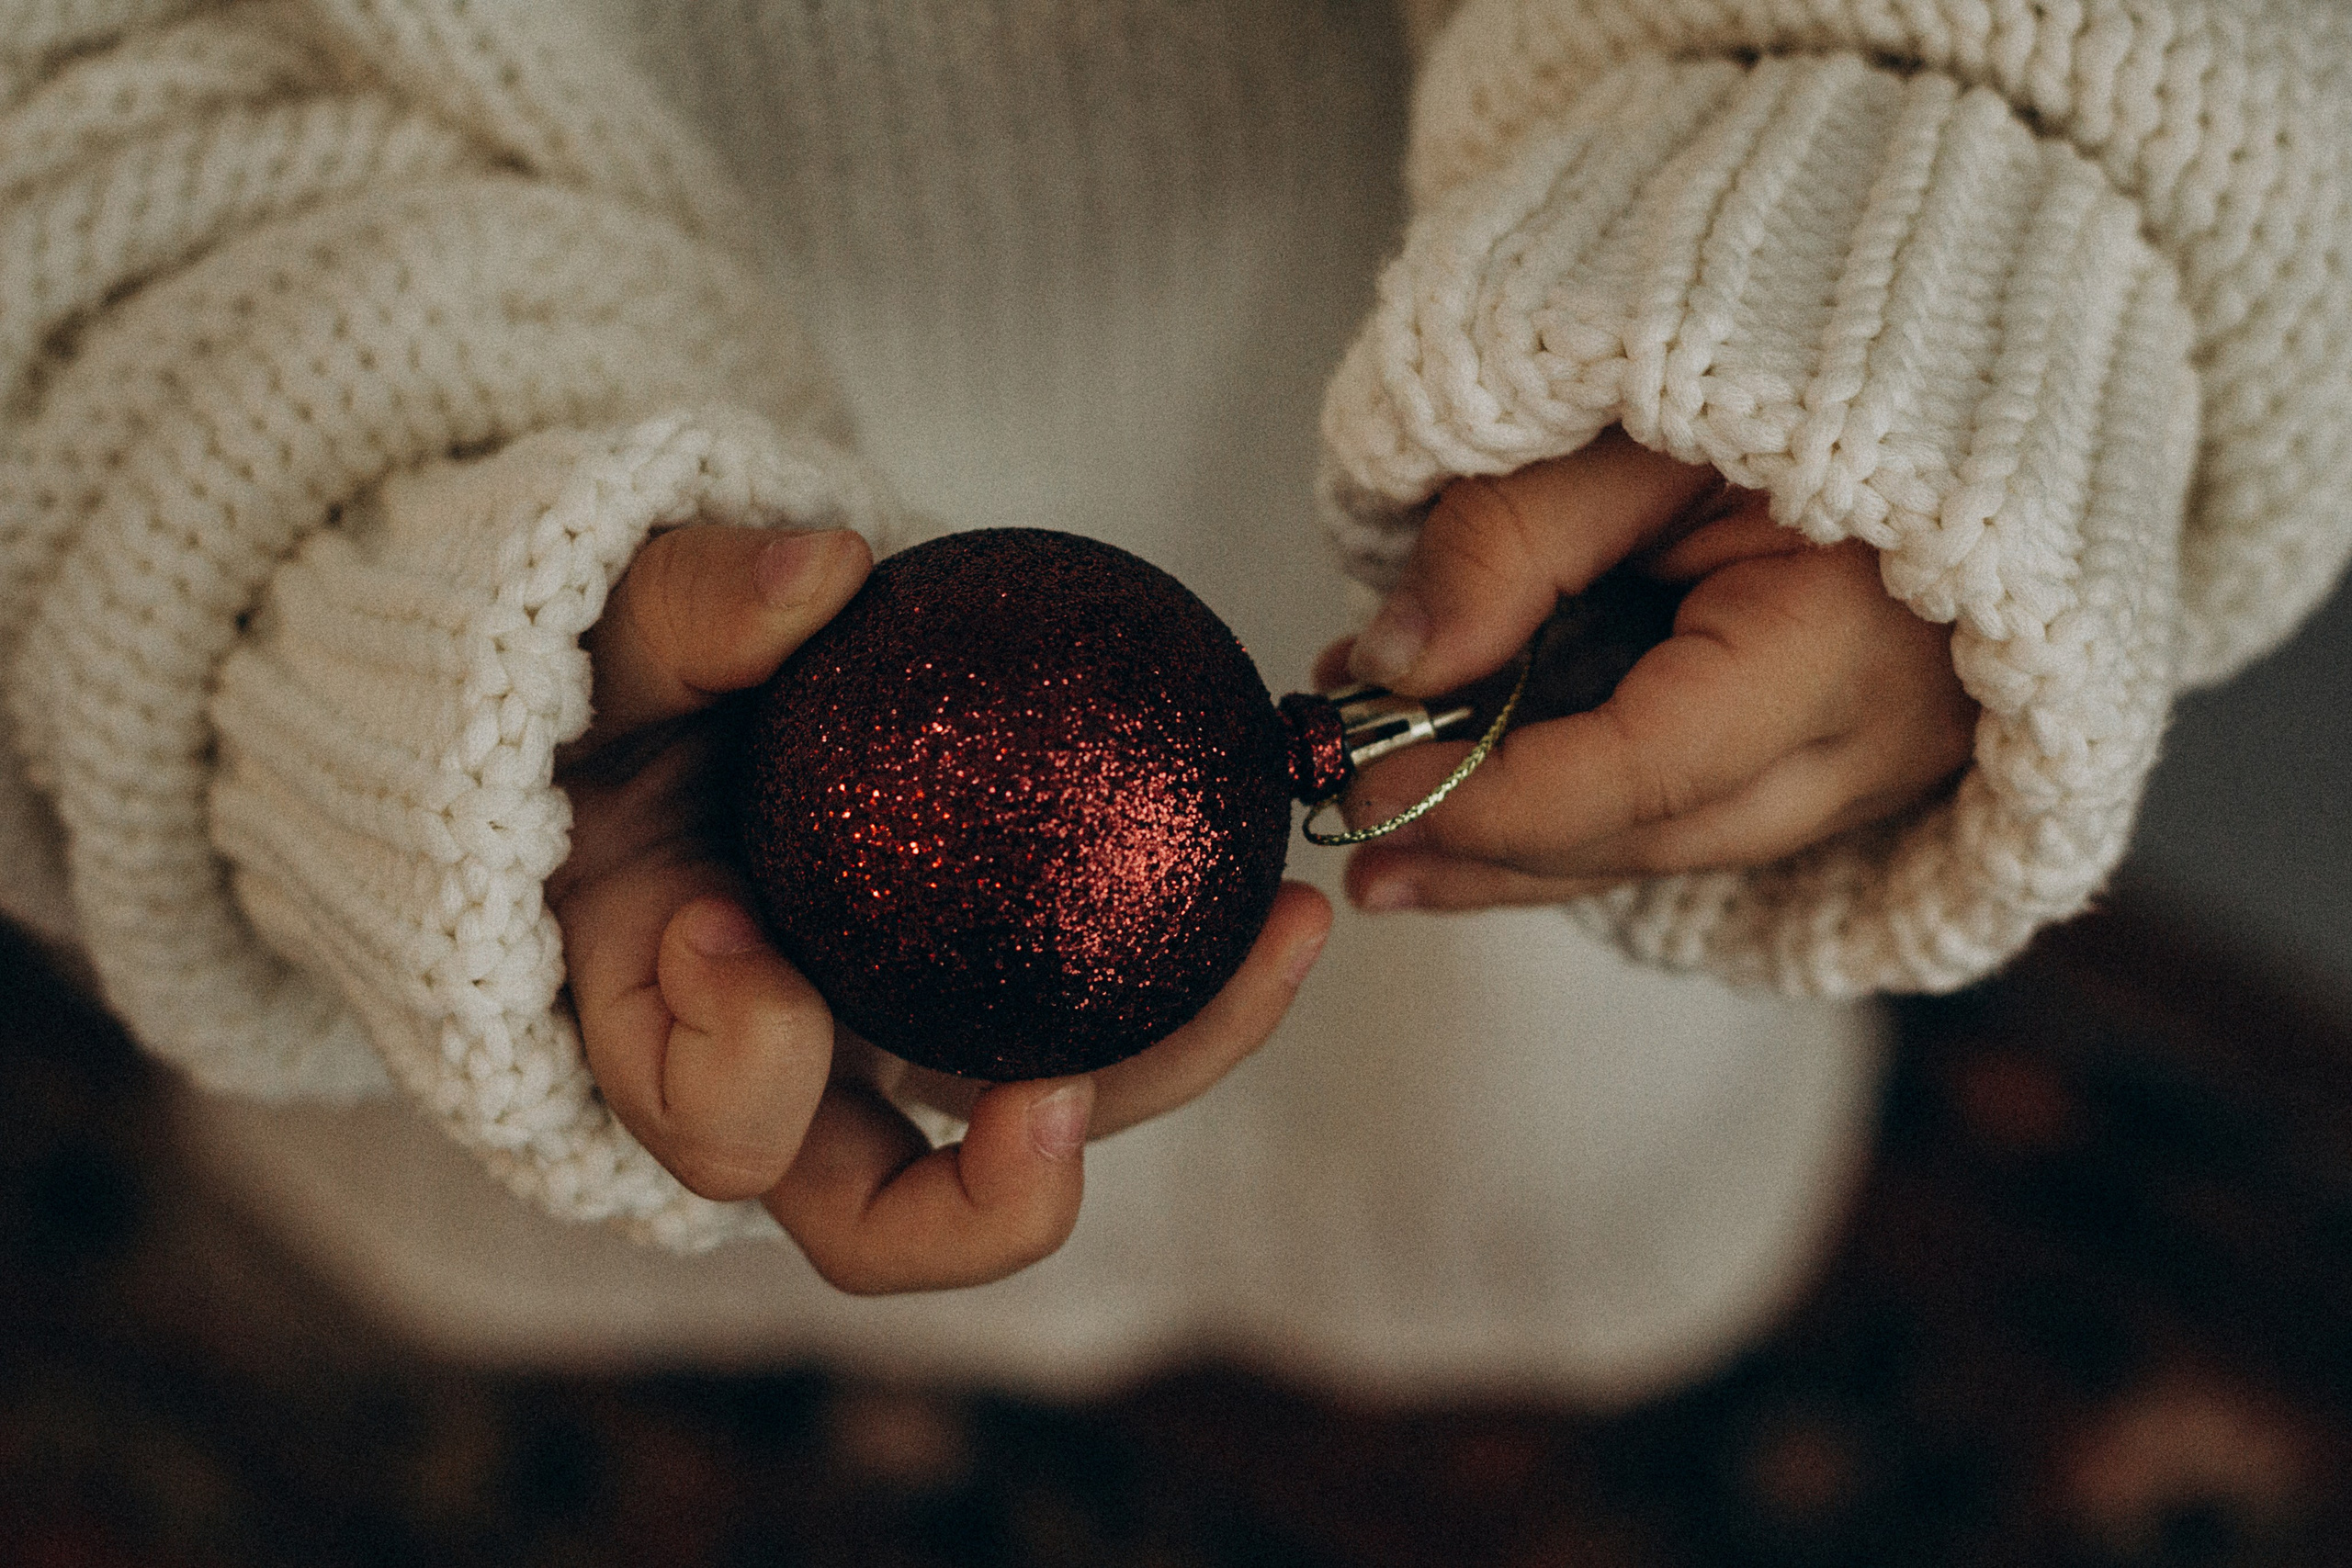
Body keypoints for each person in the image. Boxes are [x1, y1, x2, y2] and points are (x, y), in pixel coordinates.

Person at [2, 0, 2345, 1401]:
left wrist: (1921, 190)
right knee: (610, 1123)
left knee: (1485, 1081)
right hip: (498, 644)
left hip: (1557, 390)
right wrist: (345, 546)